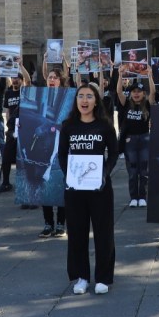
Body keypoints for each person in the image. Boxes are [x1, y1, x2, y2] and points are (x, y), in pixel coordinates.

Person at [58, 82, 118, 295]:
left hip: (100, 189)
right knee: (76, 233)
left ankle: (103, 277)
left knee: (104, 233)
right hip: (75, 189)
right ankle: (82, 277)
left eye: (89, 96)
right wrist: (69, 175)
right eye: (81, 96)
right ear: (76, 101)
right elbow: (62, 155)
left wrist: (105, 173)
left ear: (96, 101)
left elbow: (114, 154)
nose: (84, 100)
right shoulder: (68, 126)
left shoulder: (105, 126)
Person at [38, 68, 67, 235]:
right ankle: (48, 222)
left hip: (62, 144)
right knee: (45, 183)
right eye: (50, 77)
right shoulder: (42, 97)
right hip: (45, 143)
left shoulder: (67, 98)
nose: (52, 80)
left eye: (55, 77)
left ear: (60, 81)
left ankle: (61, 223)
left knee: (61, 183)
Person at [118, 67, 152, 207]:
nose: (136, 94)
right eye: (134, 91)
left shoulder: (147, 105)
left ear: (143, 94)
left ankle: (142, 196)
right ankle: (133, 197)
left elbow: (153, 92)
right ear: (130, 94)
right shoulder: (126, 104)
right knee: (132, 170)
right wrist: (120, 75)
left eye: (139, 91)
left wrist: (150, 76)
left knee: (144, 170)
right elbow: (119, 92)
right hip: (130, 141)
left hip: (144, 139)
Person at [0, 62, 31, 193]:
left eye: (17, 78)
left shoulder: (25, 91)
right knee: (6, 157)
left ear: (21, 80)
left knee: (25, 157)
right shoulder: (9, 93)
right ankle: (6, 182)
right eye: (13, 78)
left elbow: (28, 80)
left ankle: (27, 183)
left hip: (25, 127)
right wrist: (8, 124)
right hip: (12, 129)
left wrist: (21, 65)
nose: (15, 80)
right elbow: (7, 110)